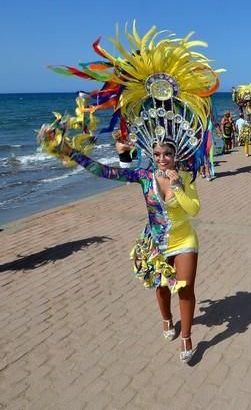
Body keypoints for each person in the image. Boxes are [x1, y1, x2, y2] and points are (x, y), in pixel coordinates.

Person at [37, 24, 221, 363]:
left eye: (168, 154)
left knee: (187, 287)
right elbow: (103, 171)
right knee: (162, 286)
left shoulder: (185, 177)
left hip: (184, 240)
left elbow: (193, 209)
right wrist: (68, 150)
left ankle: (187, 335)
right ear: (152, 155)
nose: (163, 158)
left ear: (177, 155)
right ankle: (166, 318)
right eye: (159, 154)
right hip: (154, 241)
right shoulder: (143, 176)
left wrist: (179, 187)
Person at [235, 84, 251, 156]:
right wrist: (235, 93)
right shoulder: (244, 108)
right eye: (247, 101)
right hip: (246, 124)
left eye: (250, 101)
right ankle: (247, 152)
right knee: (246, 139)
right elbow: (237, 102)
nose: (248, 102)